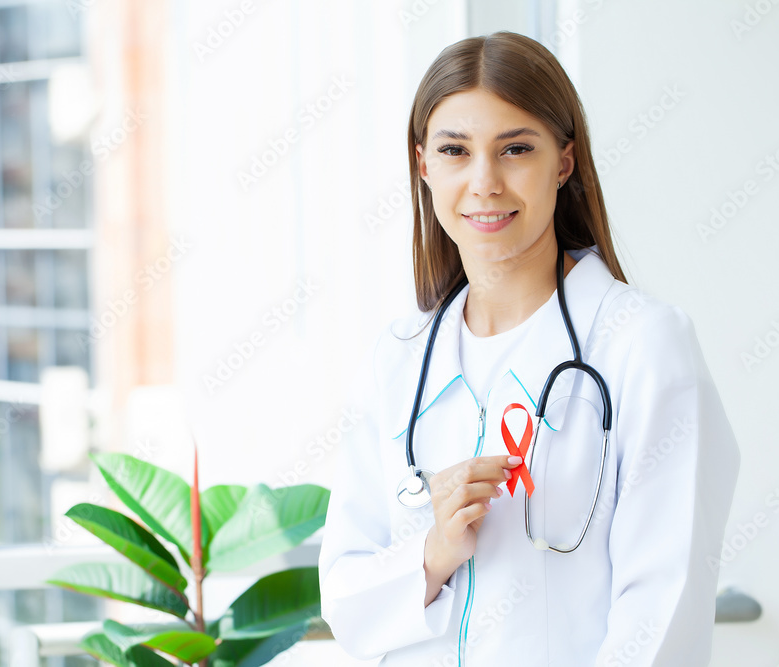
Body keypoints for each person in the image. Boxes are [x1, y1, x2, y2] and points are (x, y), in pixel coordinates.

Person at [317, 30, 741, 666]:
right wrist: (432, 554)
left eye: (515, 149)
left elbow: (663, 608)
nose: (485, 182)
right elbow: (345, 596)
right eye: (455, 150)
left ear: (564, 163)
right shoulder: (399, 358)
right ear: (424, 166)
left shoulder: (642, 345)